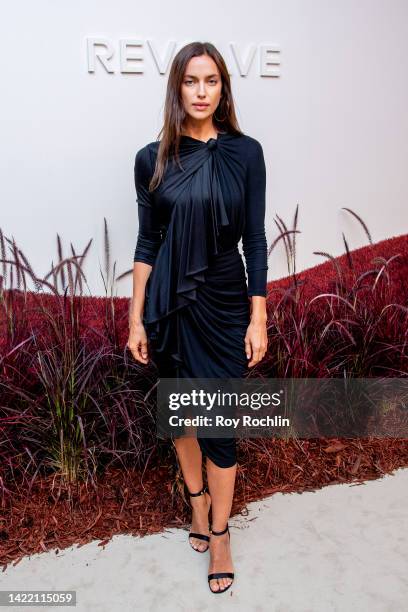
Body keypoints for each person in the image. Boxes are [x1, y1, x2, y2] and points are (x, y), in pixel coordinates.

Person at [127, 41, 268, 594]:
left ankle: (222, 533)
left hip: (226, 300)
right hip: (169, 304)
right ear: (177, 89)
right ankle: (196, 503)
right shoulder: (152, 158)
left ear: (223, 88)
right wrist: (137, 320)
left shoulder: (247, 153)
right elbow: (146, 242)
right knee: (183, 418)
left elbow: (255, 240)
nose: (202, 91)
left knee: (221, 428)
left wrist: (258, 318)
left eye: (211, 81)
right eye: (191, 81)